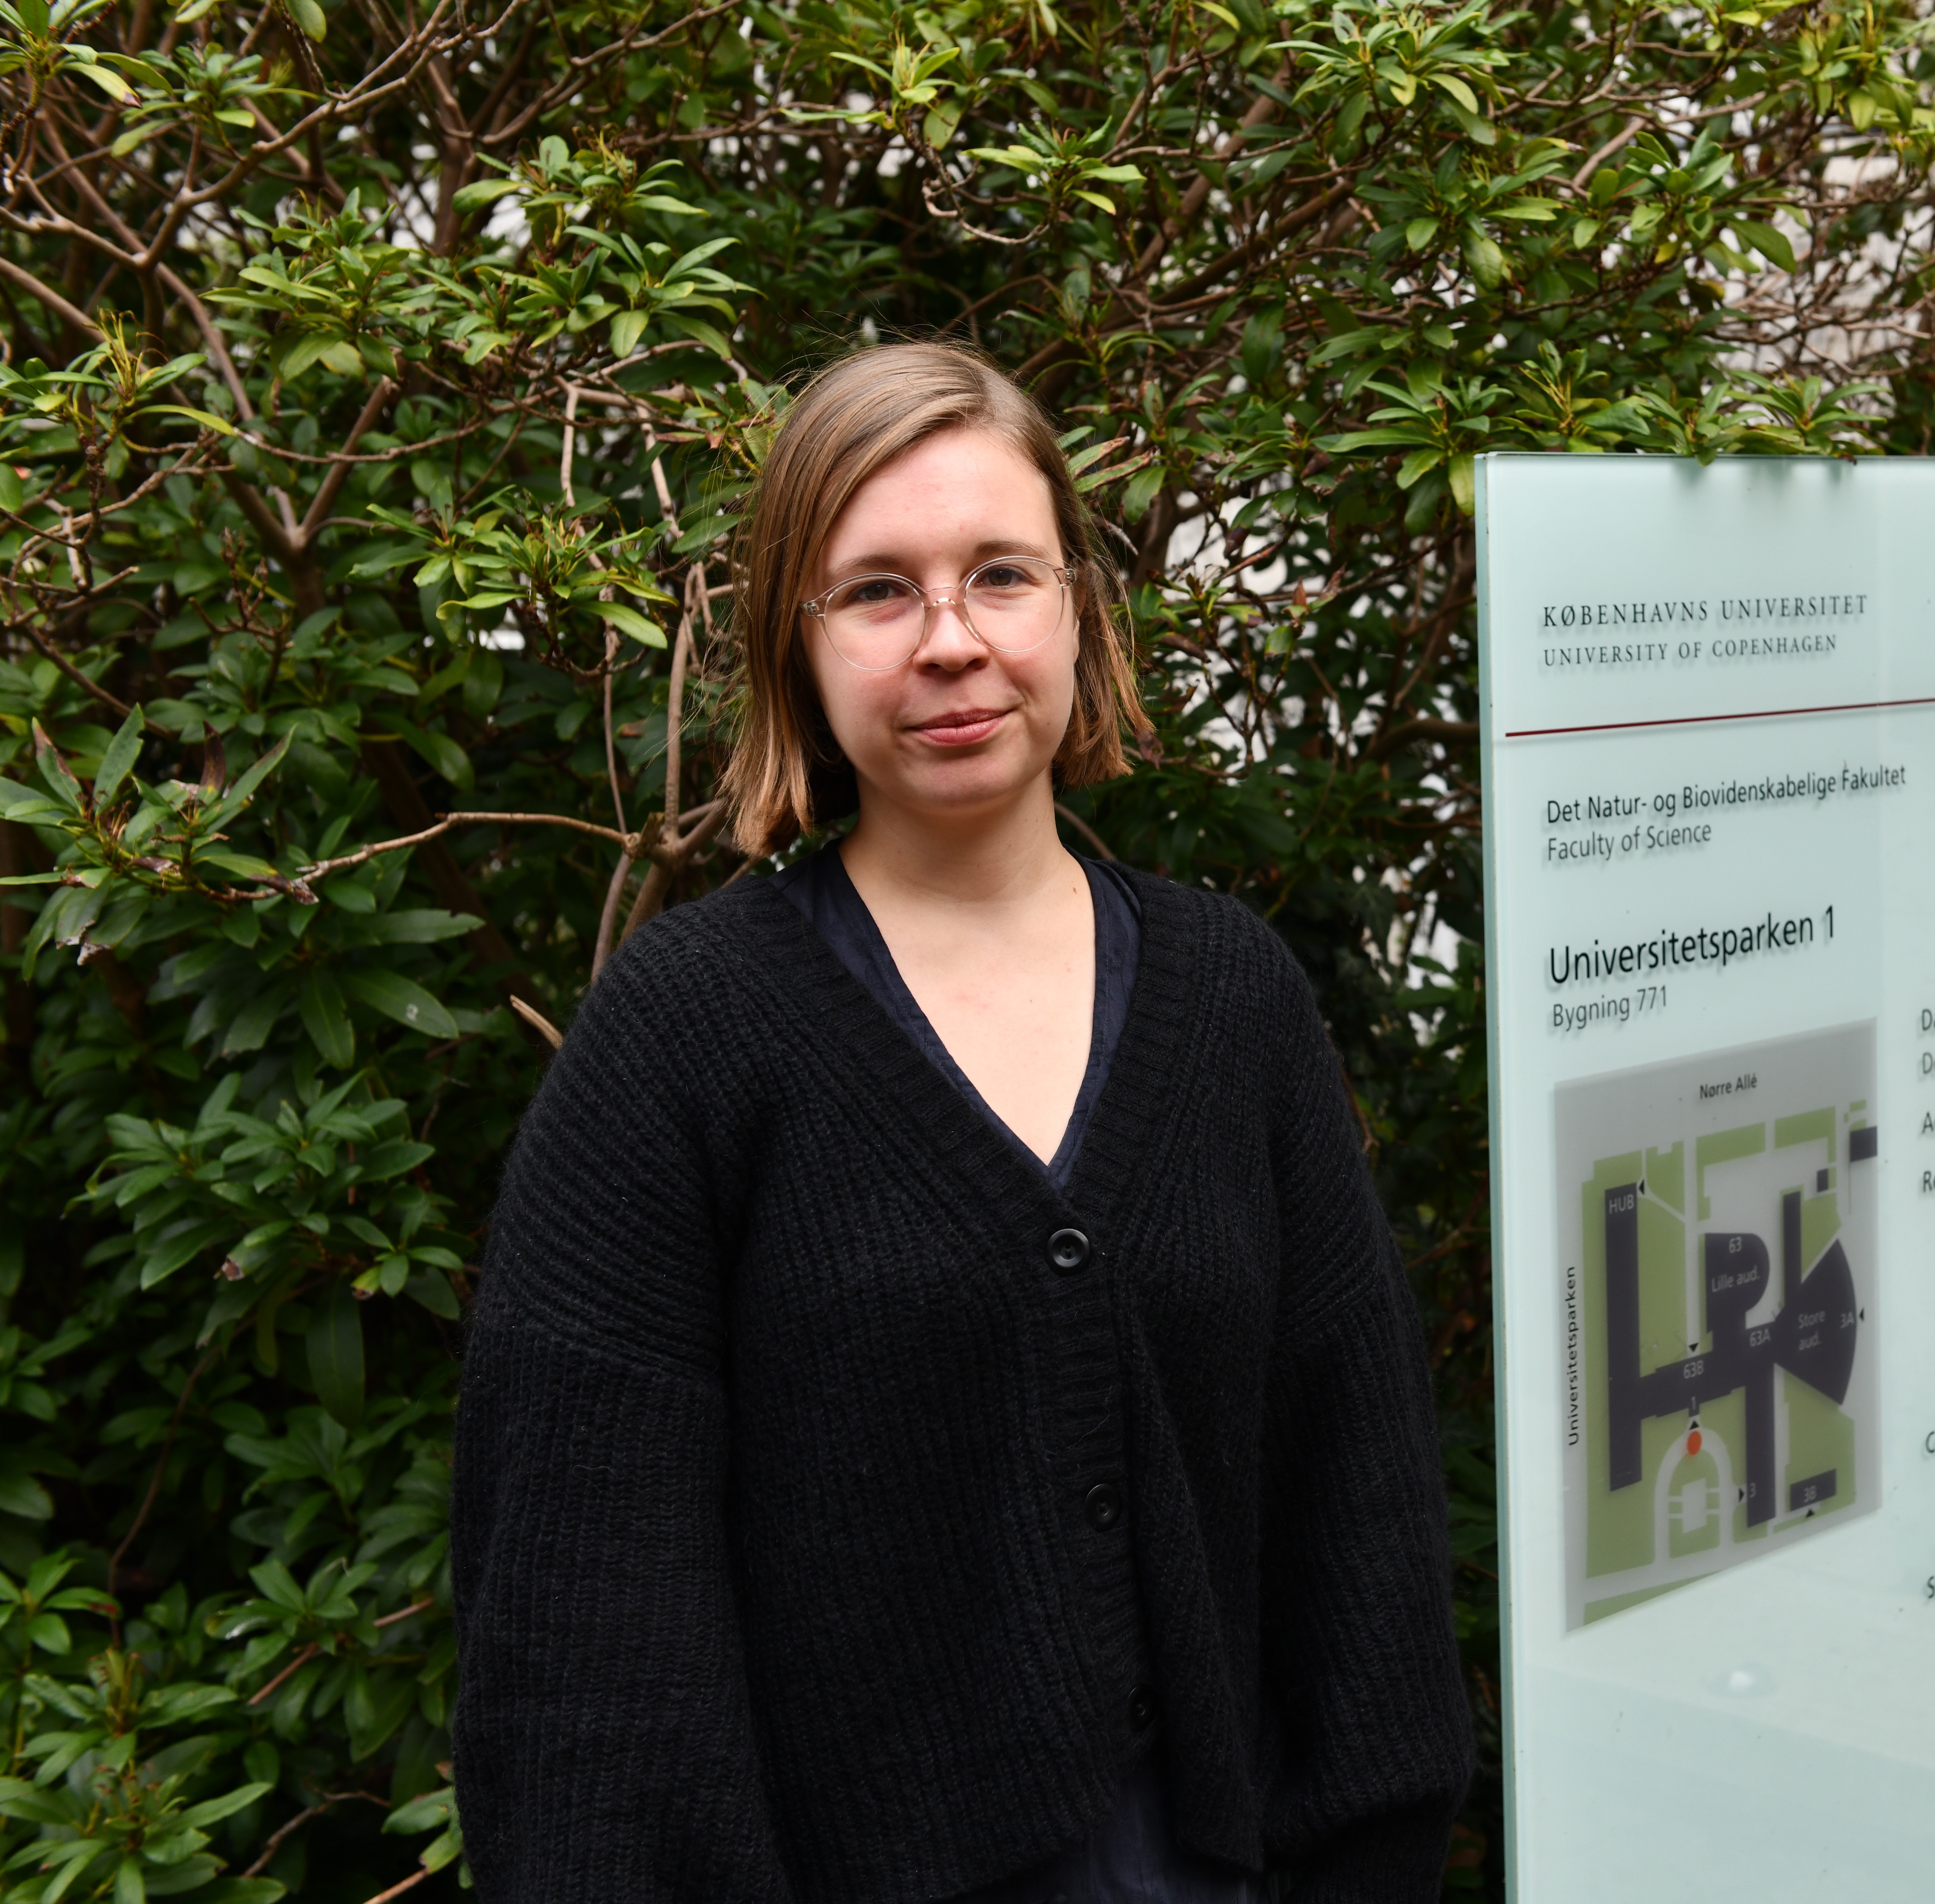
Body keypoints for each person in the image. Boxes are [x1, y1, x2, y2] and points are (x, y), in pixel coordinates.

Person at [450, 342, 1473, 1902]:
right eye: (876, 590)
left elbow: (1362, 1519)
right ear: (794, 643)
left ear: (1077, 609)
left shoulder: (1231, 1001)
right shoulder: (686, 1037)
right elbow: (588, 1637)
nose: (950, 642)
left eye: (1001, 574)